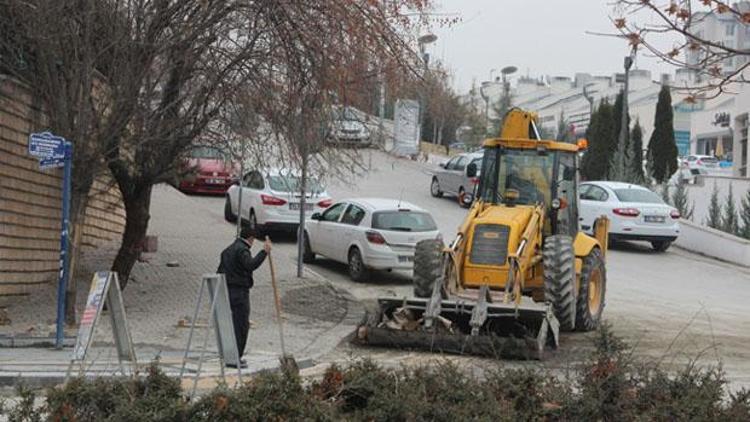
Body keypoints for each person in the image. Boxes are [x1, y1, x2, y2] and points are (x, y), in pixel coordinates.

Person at [217, 225, 272, 368]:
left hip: (226, 290)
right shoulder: (242, 250)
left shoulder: (228, 250)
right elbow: (250, 265)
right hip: (239, 292)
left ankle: (229, 354)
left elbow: (220, 270)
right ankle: (236, 357)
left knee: (230, 324)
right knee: (241, 325)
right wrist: (264, 252)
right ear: (251, 238)